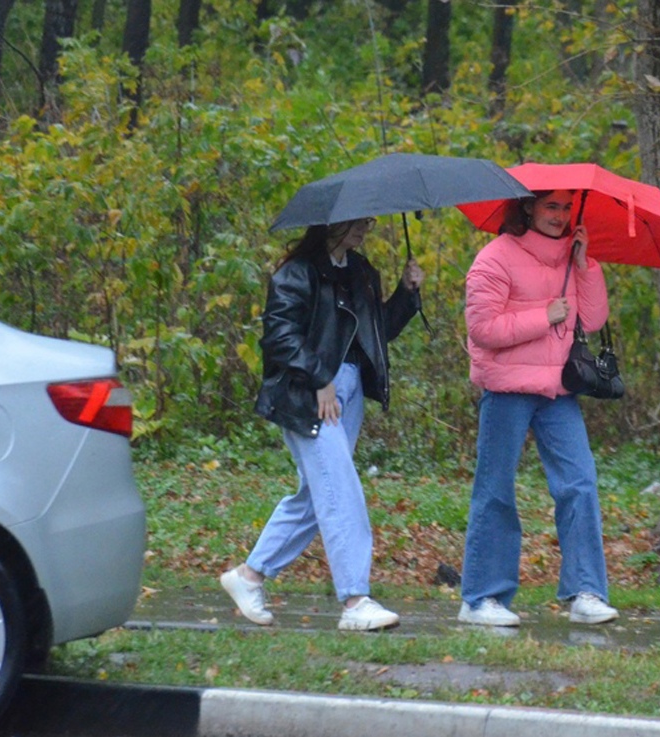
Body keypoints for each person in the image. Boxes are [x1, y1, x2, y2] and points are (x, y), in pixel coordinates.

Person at [221, 216, 425, 632]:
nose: (365, 228)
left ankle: (249, 576)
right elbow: (279, 336)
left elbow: (375, 332)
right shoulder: (296, 274)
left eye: (368, 221)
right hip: (308, 393)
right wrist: (319, 379)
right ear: (329, 224)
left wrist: (406, 294)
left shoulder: (363, 272)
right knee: (340, 489)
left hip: (347, 391)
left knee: (319, 494)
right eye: (356, 222)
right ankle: (355, 600)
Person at [458, 189, 619, 627]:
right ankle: (480, 599)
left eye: (567, 207)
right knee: (495, 490)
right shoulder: (494, 258)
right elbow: (483, 328)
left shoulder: (573, 257)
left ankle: (586, 592)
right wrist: (543, 315)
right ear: (528, 207)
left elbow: (594, 320)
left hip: (557, 392)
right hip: (507, 389)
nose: (560, 215)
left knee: (580, 484)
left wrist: (585, 266)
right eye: (551, 206)